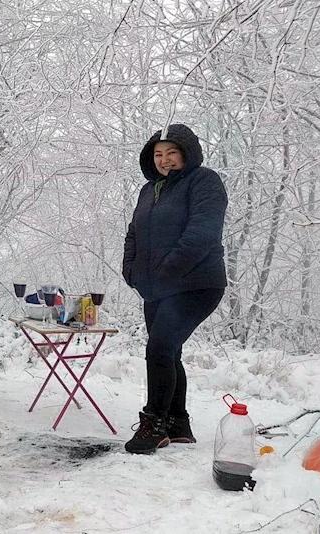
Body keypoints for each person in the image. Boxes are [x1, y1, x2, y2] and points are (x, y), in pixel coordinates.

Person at [122, 124, 228, 454]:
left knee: (159, 348)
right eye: (158, 154)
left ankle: (154, 424)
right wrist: (132, 270)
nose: (164, 160)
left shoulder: (204, 181)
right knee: (168, 351)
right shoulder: (148, 190)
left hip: (196, 284)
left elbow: (201, 234)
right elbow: (133, 234)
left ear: (186, 154)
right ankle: (178, 423)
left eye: (172, 153)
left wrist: (166, 273)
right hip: (158, 288)